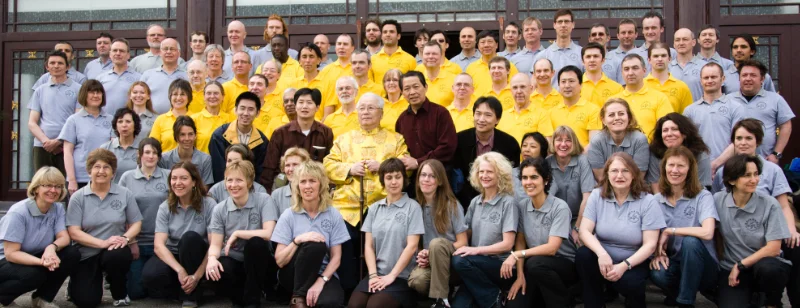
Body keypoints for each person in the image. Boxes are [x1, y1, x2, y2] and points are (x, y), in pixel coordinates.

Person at [323, 92, 410, 291]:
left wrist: (383, 166)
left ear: (381, 113)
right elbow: (327, 165)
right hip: (347, 206)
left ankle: (381, 287)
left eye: (371, 108)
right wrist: (349, 169)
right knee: (346, 246)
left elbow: (406, 166)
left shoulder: (395, 139)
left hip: (383, 205)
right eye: (361, 108)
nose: (365, 112)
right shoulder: (343, 139)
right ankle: (348, 291)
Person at [576, 152, 665, 308]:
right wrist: (602, 254)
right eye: (614, 171)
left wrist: (624, 265)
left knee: (630, 283)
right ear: (607, 175)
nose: (619, 175)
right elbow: (584, 231)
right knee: (583, 255)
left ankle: (634, 299)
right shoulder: (597, 195)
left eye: (625, 170)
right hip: (604, 258)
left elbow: (650, 245)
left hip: (634, 260)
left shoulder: (648, 201)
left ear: (634, 174)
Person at [66, 149, 143, 307]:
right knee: (86, 301)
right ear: (89, 171)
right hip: (86, 253)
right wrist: (102, 243)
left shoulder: (124, 194)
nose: (101, 171)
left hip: (114, 250)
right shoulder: (78, 197)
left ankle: (119, 292)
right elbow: (73, 231)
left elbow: (136, 223)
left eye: (106, 167)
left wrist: (126, 238)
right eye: (97, 167)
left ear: (113, 172)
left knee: (118, 256)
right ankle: (76, 283)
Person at [714, 154, 790, 308]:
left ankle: (772, 303)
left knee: (770, 269)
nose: (754, 180)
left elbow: (774, 249)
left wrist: (740, 265)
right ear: (731, 180)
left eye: (756, 174)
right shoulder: (717, 200)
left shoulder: (770, 204)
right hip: (732, 270)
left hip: (761, 266)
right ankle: (753, 299)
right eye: (747, 175)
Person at [348, 158, 425, 308]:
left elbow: (412, 246)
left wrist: (391, 276)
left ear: (404, 178)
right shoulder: (374, 208)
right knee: (354, 305)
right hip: (377, 274)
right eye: (389, 177)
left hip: (402, 276)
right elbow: (368, 246)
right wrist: (373, 275)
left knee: (374, 306)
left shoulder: (413, 207)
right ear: (382, 180)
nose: (393, 182)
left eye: (398, 177)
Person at [273, 161, 350, 308]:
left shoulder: (333, 214)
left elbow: (336, 258)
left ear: (320, 185)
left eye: (312, 181)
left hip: (322, 272)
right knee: (316, 245)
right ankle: (298, 298)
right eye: (303, 182)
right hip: (292, 274)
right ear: (297, 186)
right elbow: (280, 261)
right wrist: (298, 240)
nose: (307, 186)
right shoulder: (288, 215)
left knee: (331, 303)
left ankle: (302, 296)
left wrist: (320, 282)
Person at [649, 146, 719, 307]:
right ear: (664, 167)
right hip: (675, 263)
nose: (675, 170)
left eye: (681, 166)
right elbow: (651, 235)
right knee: (658, 272)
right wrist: (657, 254)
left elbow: (708, 232)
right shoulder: (655, 200)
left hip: (704, 266)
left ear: (690, 170)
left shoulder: (703, 196)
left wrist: (671, 231)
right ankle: (677, 293)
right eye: (671, 165)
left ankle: (685, 302)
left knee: (690, 241)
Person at [0, 167, 80, 308]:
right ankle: (3, 299)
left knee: (71, 253)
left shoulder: (57, 208)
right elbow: (11, 254)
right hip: (5, 260)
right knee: (35, 275)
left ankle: (42, 298)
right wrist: (42, 262)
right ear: (36, 188)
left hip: (34, 254)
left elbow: (64, 237)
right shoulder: (18, 213)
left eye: (58, 186)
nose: (53, 190)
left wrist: (51, 248)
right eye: (48, 185)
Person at [140, 161, 217, 307]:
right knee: (150, 276)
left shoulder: (209, 204)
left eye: (183, 178)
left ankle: (191, 295)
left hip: (197, 255)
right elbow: (159, 246)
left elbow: (214, 245)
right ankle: (183, 285)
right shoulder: (165, 206)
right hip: (174, 255)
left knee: (189, 238)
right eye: (174, 178)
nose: (178, 182)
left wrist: (197, 275)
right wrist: (180, 270)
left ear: (194, 182)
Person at [504, 157, 577, 308]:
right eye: (524, 178)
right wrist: (519, 275)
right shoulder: (523, 205)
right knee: (514, 306)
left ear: (546, 180)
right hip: (534, 265)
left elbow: (552, 248)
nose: (528, 182)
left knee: (536, 264)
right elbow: (520, 241)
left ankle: (565, 302)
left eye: (534, 177)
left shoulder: (560, 207)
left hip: (564, 265)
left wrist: (517, 254)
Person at [205, 160, 279, 307]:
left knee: (256, 243)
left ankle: (253, 301)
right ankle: (238, 300)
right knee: (216, 271)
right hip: (234, 258)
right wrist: (212, 258)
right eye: (229, 180)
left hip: (260, 260)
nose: (233, 185)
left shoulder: (264, 200)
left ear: (249, 182)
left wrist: (238, 233)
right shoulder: (220, 209)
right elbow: (215, 244)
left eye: (239, 180)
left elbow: (269, 233)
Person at [451, 152, 519, 308]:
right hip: (475, 268)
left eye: (489, 171)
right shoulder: (475, 202)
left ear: (500, 174)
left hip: (500, 266)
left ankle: (493, 299)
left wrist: (476, 251)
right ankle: (494, 298)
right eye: (481, 172)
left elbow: (507, 245)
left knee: (460, 260)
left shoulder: (508, 202)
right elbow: (465, 233)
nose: (484, 175)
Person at [406, 159, 467, 308]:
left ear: (440, 181)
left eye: (432, 176)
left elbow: (463, 242)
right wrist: (423, 254)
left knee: (437, 243)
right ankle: (448, 291)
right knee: (417, 280)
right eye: (423, 175)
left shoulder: (451, 205)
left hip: (452, 261)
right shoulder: (414, 206)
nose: (426, 179)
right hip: (430, 262)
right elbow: (415, 242)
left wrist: (434, 251)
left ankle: (441, 301)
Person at [118, 137, 171, 300]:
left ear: (159, 156)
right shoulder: (127, 178)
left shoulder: (169, 176)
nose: (151, 156)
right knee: (136, 293)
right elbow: (122, 212)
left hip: (162, 242)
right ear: (140, 154)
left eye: (155, 153)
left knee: (159, 291)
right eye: (147, 152)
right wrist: (131, 242)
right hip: (137, 243)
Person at [453, 96, 521, 207]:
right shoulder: (459, 140)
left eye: (488, 115)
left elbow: (512, 179)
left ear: (497, 119)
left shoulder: (509, 143)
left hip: (500, 200)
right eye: (478, 114)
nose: (481, 119)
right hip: (464, 200)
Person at [262, 88, 334, 191]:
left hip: (315, 187)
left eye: (309, 103)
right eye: (301, 102)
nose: (304, 106)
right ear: (296, 106)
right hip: (286, 186)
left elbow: (329, 164)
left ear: (317, 107)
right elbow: (269, 167)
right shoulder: (280, 133)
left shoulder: (326, 133)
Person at [727, 59, 793, 162]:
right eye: (744, 75)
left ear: (762, 79)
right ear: (739, 78)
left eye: (753, 75)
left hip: (765, 161)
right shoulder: (727, 100)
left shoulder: (776, 99)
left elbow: (786, 126)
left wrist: (776, 153)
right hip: (734, 162)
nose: (748, 79)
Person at [28, 50, 82, 176]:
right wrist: (46, 141)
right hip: (42, 146)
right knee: (42, 183)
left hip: (68, 145)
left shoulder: (78, 89)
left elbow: (78, 120)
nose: (56, 66)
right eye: (52, 63)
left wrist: (58, 141)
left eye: (60, 63)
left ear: (67, 66)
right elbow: (32, 122)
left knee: (66, 185)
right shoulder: (40, 90)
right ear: (47, 67)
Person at [58, 80, 114, 194]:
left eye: (98, 92)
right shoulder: (73, 120)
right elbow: (67, 152)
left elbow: (114, 150)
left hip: (105, 176)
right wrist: (72, 180)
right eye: (91, 92)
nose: (95, 95)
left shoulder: (111, 119)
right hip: (81, 178)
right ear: (84, 94)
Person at [683, 63, 745, 162]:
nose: (710, 80)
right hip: (699, 167)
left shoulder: (736, 107)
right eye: (706, 78)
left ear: (723, 79)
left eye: (714, 77)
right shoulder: (690, 110)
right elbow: (687, 142)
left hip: (730, 167)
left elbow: (739, 141)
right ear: (701, 81)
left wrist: (715, 164)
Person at [395, 71, 458, 168]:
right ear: (402, 93)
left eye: (416, 87)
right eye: (407, 89)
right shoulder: (402, 119)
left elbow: (447, 147)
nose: (412, 92)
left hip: (438, 173)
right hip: (411, 176)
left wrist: (418, 162)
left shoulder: (440, 113)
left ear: (425, 87)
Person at [547, 125, 595, 244]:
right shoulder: (547, 162)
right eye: (559, 140)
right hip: (555, 218)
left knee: (581, 243)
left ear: (574, 143)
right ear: (553, 143)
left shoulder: (582, 161)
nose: (563, 144)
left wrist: (577, 227)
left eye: (568, 140)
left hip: (580, 217)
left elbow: (587, 197)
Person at [610, 54, 673, 139]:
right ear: (622, 73)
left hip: (651, 149)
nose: (630, 73)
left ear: (644, 71)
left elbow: (666, 128)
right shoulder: (613, 101)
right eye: (626, 69)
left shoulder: (659, 98)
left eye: (635, 68)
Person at [587, 98, 650, 181]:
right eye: (611, 115)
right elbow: (600, 177)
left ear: (629, 117)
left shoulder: (640, 140)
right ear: (603, 120)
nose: (617, 118)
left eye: (621, 114)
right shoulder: (596, 141)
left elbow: (639, 176)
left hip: (635, 189)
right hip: (606, 189)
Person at [647, 113, 712, 190]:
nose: (669, 134)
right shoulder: (655, 154)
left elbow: (702, 189)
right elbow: (656, 187)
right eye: (665, 130)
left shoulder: (701, 156)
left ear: (685, 133)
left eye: (674, 129)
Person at [550, 65, 601, 147]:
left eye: (571, 81)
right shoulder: (551, 112)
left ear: (581, 85)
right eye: (563, 82)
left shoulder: (593, 110)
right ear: (559, 85)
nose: (567, 85)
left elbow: (594, 144)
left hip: (583, 157)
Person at [497, 73, 553, 144]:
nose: (519, 91)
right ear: (511, 91)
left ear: (531, 89)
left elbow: (547, 144)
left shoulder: (542, 114)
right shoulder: (503, 116)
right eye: (515, 88)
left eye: (522, 87)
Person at [158, 116, 213, 185]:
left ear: (195, 135)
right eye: (182, 134)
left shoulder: (205, 159)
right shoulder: (164, 159)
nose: (187, 138)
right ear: (176, 137)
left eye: (190, 134)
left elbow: (205, 188)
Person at [534, 9, 584, 87]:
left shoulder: (583, 53)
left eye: (566, 21)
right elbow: (534, 85)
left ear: (573, 24)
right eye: (560, 22)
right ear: (554, 25)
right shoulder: (542, 56)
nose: (563, 25)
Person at [140, 38, 189, 114]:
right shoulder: (148, 75)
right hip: (153, 121)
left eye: (172, 49)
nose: (168, 52)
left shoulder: (187, 76)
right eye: (165, 49)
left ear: (179, 53)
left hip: (180, 120)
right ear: (160, 52)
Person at [644, 42, 694, 113]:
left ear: (670, 59)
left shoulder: (681, 87)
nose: (660, 59)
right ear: (649, 60)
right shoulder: (641, 85)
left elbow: (687, 117)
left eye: (663, 56)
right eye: (656, 56)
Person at [466, 31, 519, 95]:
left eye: (490, 42)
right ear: (478, 46)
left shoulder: (508, 66)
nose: (486, 45)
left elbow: (517, 87)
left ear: (496, 45)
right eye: (482, 42)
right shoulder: (471, 68)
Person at [98, 38, 141, 115]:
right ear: (110, 54)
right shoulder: (100, 78)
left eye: (121, 51)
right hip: (105, 123)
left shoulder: (139, 78)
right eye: (115, 50)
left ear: (128, 55)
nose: (118, 53)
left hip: (128, 123)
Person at [149, 79, 194, 152]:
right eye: (175, 94)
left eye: (182, 94)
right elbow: (152, 146)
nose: (178, 98)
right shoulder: (161, 119)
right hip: (165, 162)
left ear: (189, 97)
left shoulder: (196, 118)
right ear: (170, 97)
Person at [191, 81, 234, 154]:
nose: (212, 96)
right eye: (209, 93)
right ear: (204, 97)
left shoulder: (230, 119)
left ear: (223, 97)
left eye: (216, 93)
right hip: (201, 164)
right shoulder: (194, 119)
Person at [100, 108, 142, 183]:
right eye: (120, 121)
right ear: (115, 126)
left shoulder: (143, 148)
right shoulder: (105, 149)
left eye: (128, 121)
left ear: (135, 125)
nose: (124, 125)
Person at [580, 42, 623, 108]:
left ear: (603, 60)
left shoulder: (617, 88)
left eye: (596, 56)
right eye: (588, 57)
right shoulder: (575, 87)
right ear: (583, 61)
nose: (592, 60)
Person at [269, 147, 311, 213]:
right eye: (287, 165)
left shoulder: (314, 193)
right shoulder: (277, 195)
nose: (290, 169)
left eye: (295, 164)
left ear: (306, 166)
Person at [512, 132, 551, 201]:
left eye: (533, 146)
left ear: (542, 151)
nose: (527, 150)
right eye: (524, 145)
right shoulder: (510, 173)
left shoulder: (547, 174)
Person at [672, 28, 707, 101]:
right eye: (677, 40)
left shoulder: (704, 67)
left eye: (685, 39)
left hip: (697, 111)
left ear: (693, 42)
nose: (681, 43)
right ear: (674, 44)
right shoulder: (667, 68)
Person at [420, 42, 456, 107]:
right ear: (422, 56)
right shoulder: (417, 80)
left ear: (441, 55)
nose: (430, 56)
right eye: (427, 54)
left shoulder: (454, 80)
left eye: (434, 54)